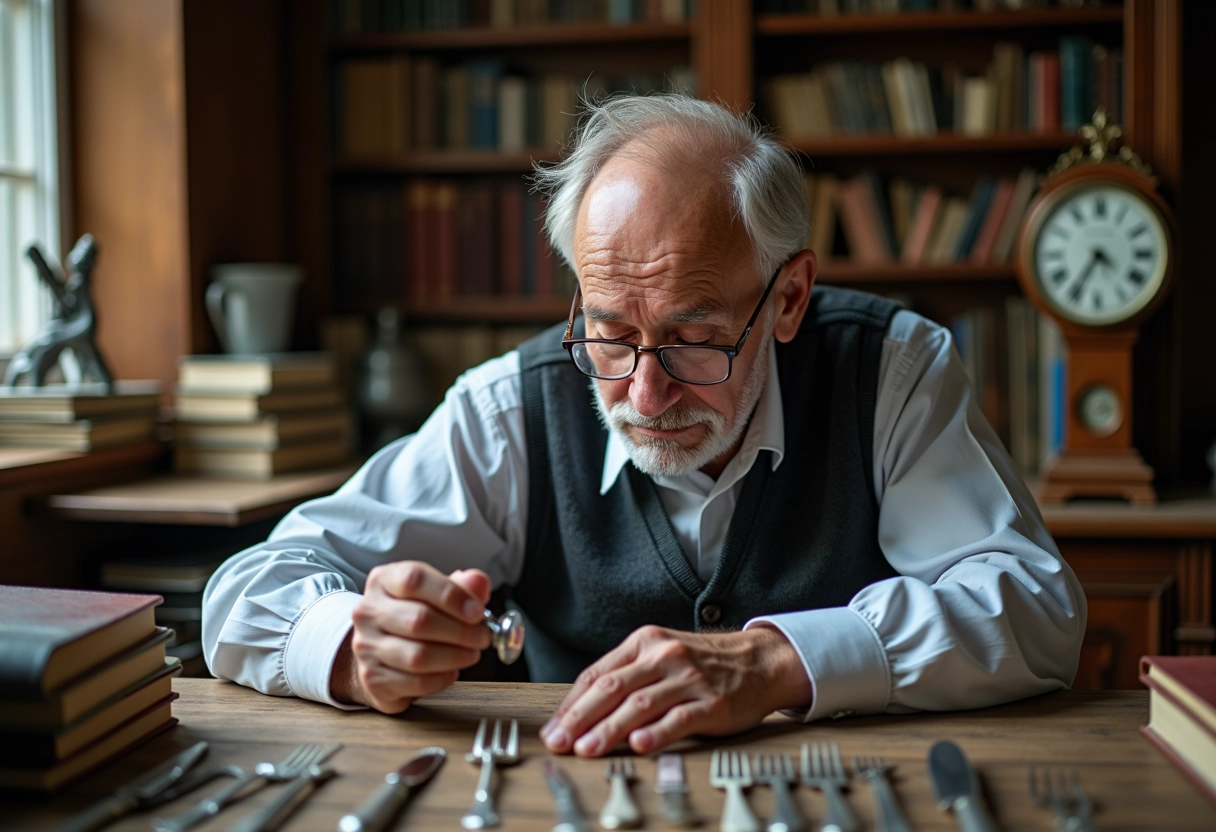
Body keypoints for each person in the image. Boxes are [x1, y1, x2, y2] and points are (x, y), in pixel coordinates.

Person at [203, 95, 1085, 759]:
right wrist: (356, 646)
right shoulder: (513, 405)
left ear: (788, 298)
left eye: (697, 339)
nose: (645, 393)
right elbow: (248, 588)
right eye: (611, 334)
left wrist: (776, 663)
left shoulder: (890, 371)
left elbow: (1036, 607)